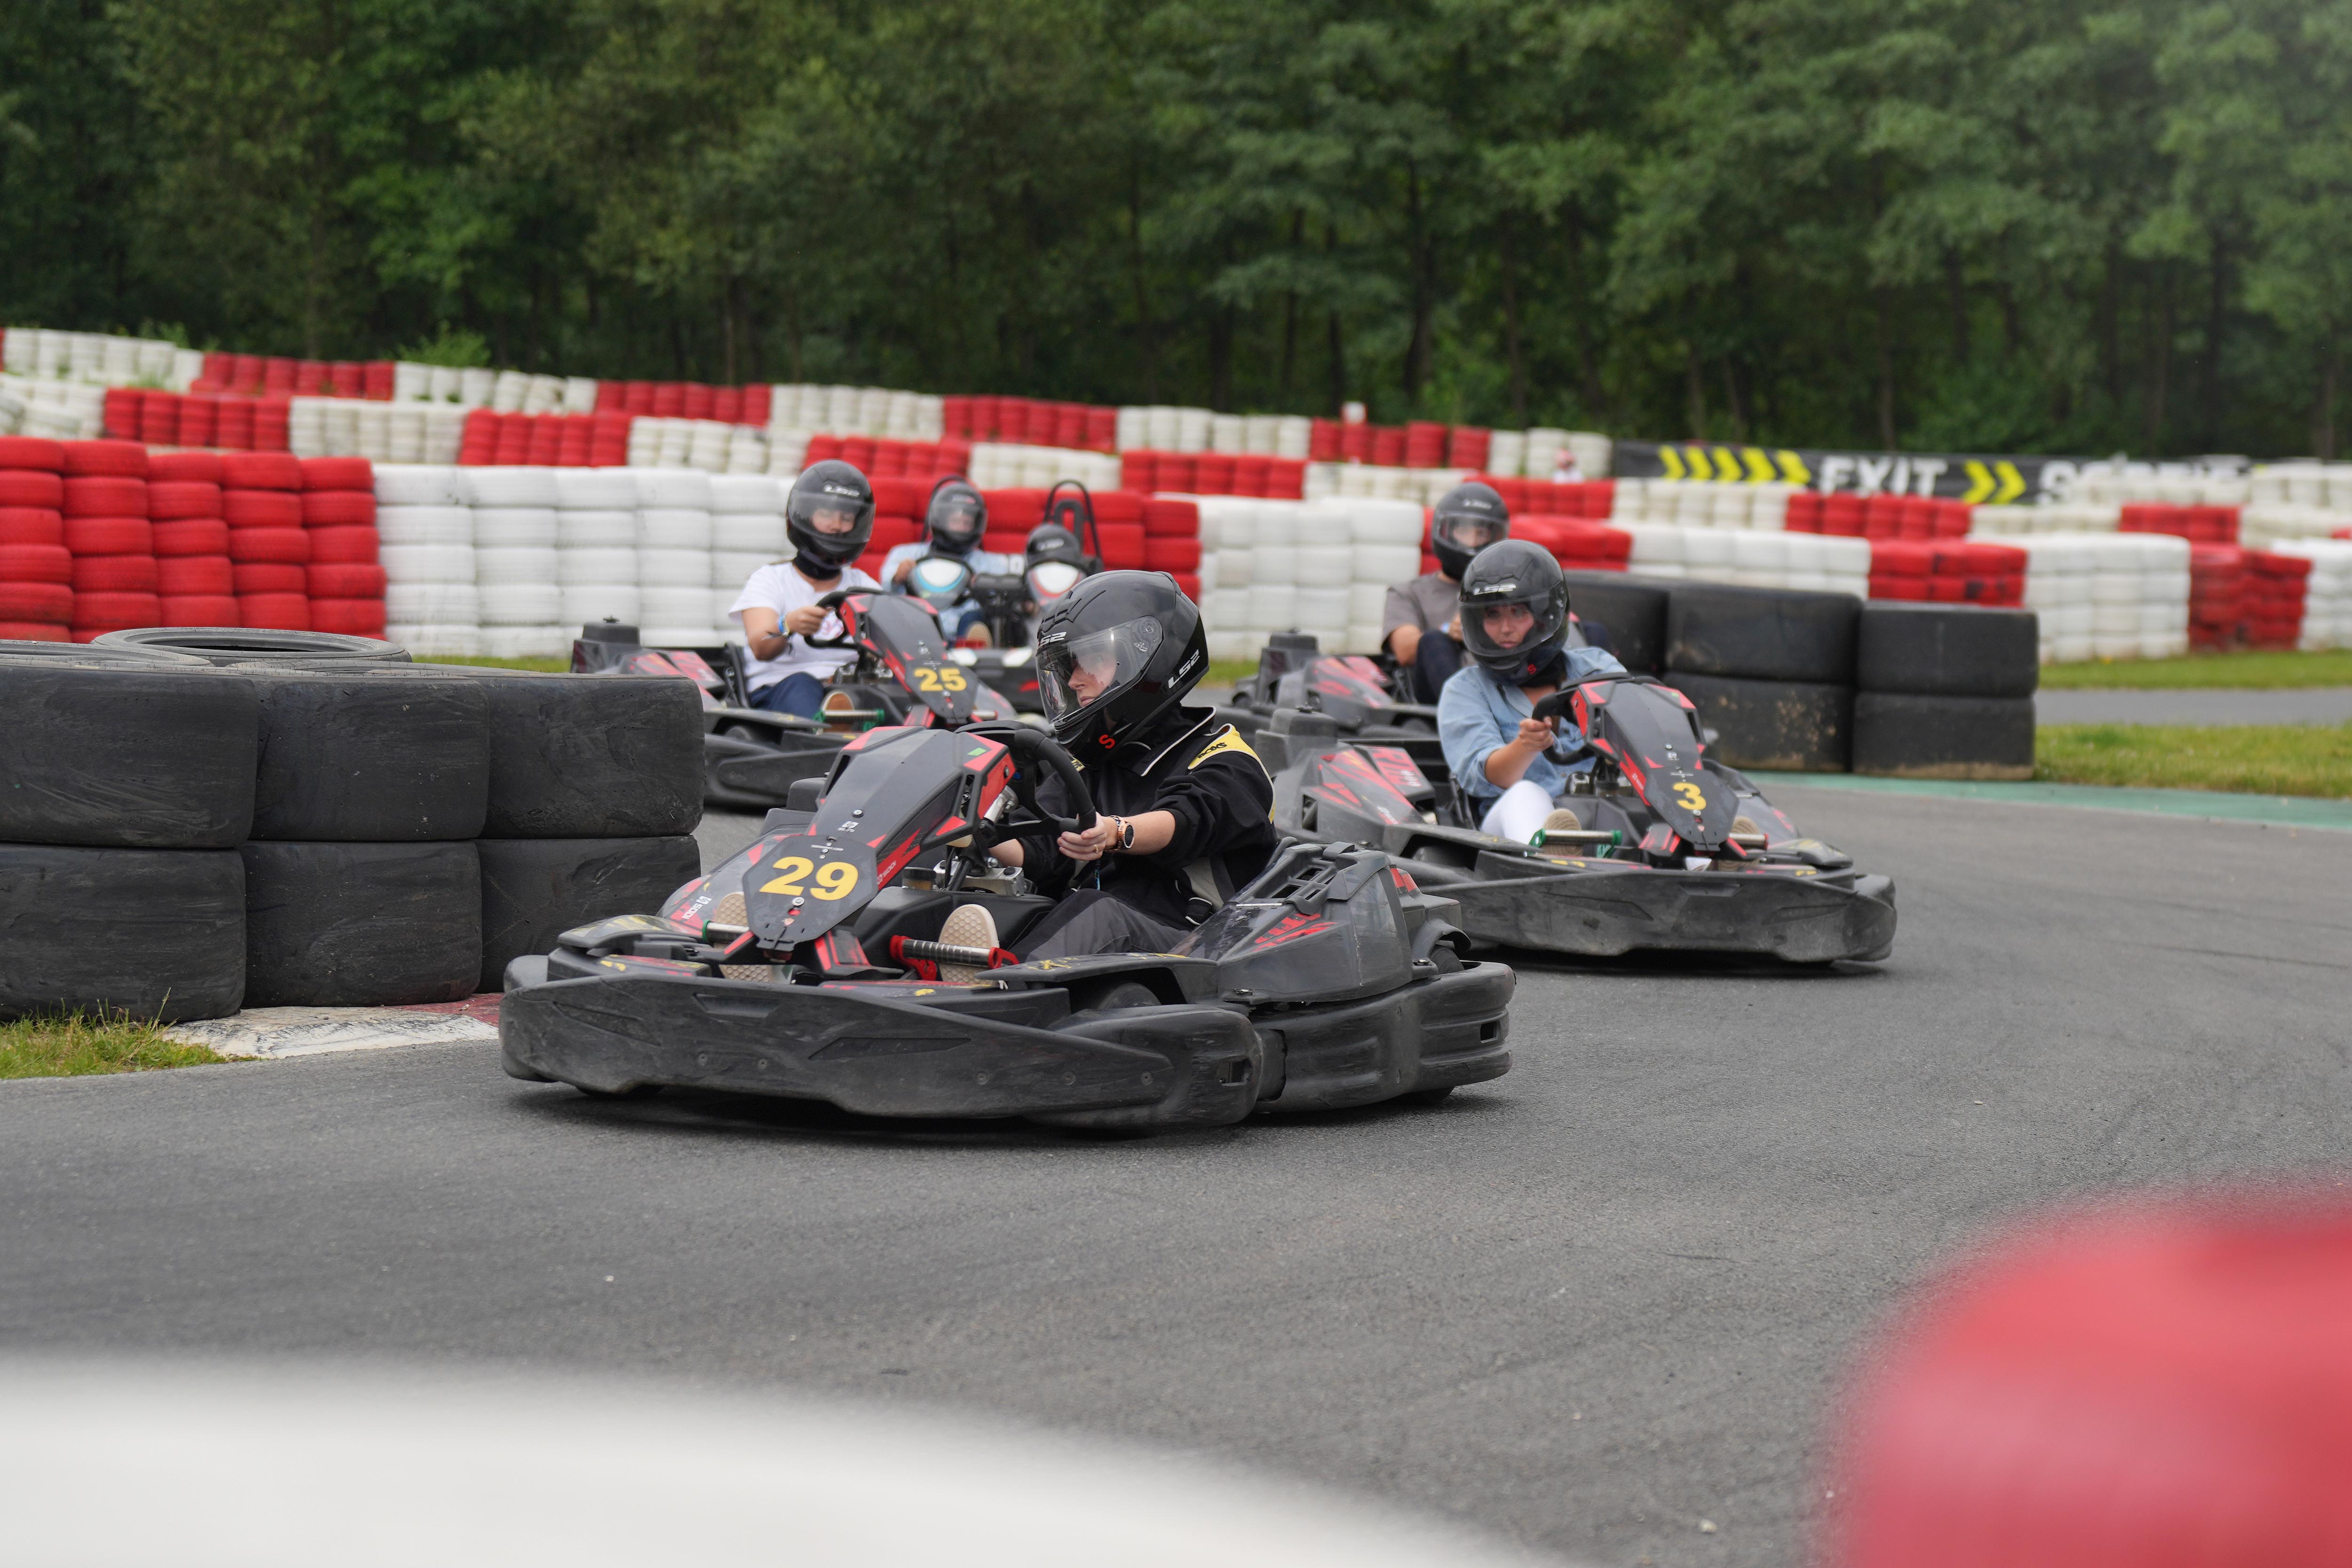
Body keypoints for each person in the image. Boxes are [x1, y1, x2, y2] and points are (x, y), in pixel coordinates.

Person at [939, 570, 1278, 966]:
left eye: (1092, 661)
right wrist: (968, 827)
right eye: (1070, 667)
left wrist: (1116, 832)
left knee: (1098, 912)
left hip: (1196, 945)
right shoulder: (1092, 764)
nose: (1075, 681)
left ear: (1147, 657)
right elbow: (1039, 850)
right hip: (1101, 939)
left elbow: (1186, 820)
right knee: (974, 888)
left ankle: (996, 987)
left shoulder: (1226, 759)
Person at [1436, 539, 1627, 844]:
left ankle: (1696, 860)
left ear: (1545, 617)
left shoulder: (1596, 669)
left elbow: (1640, 734)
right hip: (1507, 831)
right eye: (1493, 615)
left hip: (1604, 814)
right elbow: (1490, 777)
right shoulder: (1465, 690)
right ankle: (1553, 856)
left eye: (1518, 613)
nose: (1506, 628)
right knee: (1526, 793)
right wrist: (1525, 746)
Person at [728, 460, 880, 717]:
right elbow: (761, 647)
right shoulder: (770, 579)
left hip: (849, 687)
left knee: (885, 693)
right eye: (826, 515)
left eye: (846, 518)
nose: (836, 526)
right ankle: (826, 729)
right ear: (805, 516)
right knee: (803, 685)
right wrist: (788, 624)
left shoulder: (864, 586)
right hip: (779, 688)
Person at [1383, 480, 1511, 703]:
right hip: (1435, 702)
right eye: (1464, 532)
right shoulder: (1408, 593)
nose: (1472, 543)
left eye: (1481, 534)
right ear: (1445, 532)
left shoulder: (1512, 591)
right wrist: (1451, 631)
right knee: (1433, 641)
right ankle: (1467, 711)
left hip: (1503, 688)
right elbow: (1405, 650)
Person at [878, 477, 1022, 639]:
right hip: (918, 629)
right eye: (955, 521)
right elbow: (885, 590)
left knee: (973, 618)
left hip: (963, 634)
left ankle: (975, 644)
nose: (961, 528)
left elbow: (1006, 602)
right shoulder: (905, 555)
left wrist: (983, 589)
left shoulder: (991, 565)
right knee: (905, 614)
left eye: (967, 523)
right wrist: (898, 577)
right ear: (939, 519)